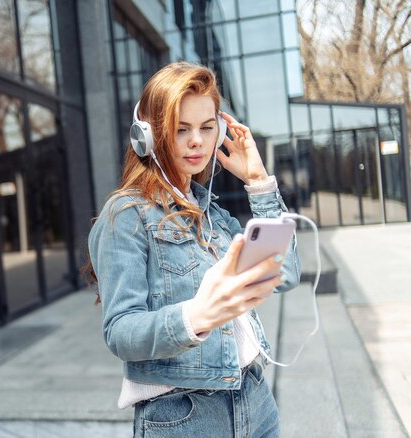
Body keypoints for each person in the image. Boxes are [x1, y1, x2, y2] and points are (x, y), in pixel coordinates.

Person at [86, 62, 300, 437]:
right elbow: (120, 331)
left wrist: (258, 182)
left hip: (255, 400)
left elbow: (287, 274)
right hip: (186, 416)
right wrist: (196, 316)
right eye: (180, 129)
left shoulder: (213, 214)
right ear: (147, 136)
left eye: (206, 127)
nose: (196, 141)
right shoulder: (125, 215)